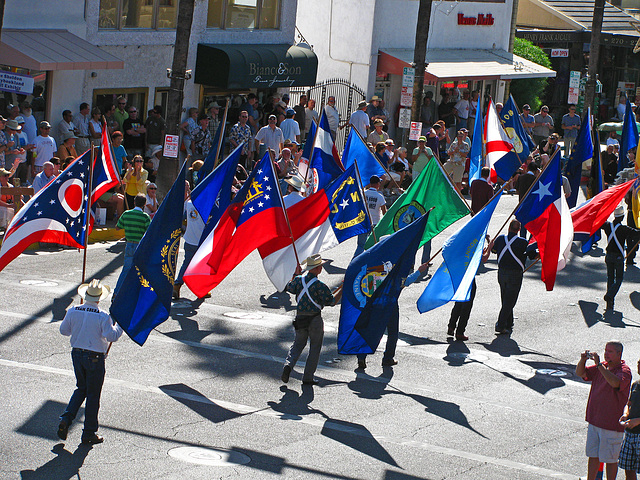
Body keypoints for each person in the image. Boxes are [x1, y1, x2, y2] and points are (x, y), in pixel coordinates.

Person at [57, 279, 123, 445]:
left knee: (81, 388)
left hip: (77, 354)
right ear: (100, 298)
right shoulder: (103, 316)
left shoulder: (73, 310)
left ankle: (67, 417)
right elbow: (112, 336)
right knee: (93, 394)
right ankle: (89, 432)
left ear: (85, 295)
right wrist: (121, 326)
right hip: (95, 357)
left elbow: (64, 331)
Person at [281, 254, 342, 386]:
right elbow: (331, 301)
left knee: (297, 344)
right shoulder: (320, 286)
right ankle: (308, 377)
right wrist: (342, 289)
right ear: (319, 268)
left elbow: (289, 287)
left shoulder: (298, 280)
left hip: (300, 317)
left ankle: (288, 364)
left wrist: (295, 275)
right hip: (314, 318)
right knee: (315, 347)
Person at [576, 341, 632, 480]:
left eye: (610, 351)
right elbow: (580, 373)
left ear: (619, 354)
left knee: (611, 459)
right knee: (593, 456)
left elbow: (615, 383)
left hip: (611, 425)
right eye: (606, 351)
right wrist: (583, 360)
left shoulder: (624, 370)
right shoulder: (602, 367)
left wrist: (600, 366)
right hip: (595, 421)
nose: (606, 354)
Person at [490, 219, 534, 335]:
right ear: (519, 230)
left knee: (505, 298)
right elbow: (532, 256)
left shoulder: (500, 239)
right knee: (510, 301)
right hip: (515, 275)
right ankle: (500, 325)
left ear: (508, 228)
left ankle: (509, 323)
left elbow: (494, 250)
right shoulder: (523, 243)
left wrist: (490, 241)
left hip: (502, 273)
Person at [602, 205, 640, 311]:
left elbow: (599, 222)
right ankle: (609, 295)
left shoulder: (608, 226)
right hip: (618, 257)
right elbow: (636, 234)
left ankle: (610, 304)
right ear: (622, 217)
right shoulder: (624, 229)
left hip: (608, 256)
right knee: (618, 279)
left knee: (610, 278)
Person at [114, 194, 151, 296]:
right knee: (141, 271)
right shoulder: (145, 217)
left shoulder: (126, 214)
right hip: (140, 246)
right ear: (144, 204)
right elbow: (149, 233)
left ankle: (116, 293)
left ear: (134, 202)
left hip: (129, 244)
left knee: (126, 269)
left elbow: (118, 227)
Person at [618, 357, 640, 479]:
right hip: (630, 433)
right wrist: (626, 414)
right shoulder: (635, 385)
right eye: (638, 363)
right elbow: (629, 403)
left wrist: (637, 421)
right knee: (628, 466)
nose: (639, 366)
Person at [354, 175, 386, 258]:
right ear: (377, 184)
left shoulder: (363, 194)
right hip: (375, 223)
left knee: (361, 246)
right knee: (374, 245)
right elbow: (384, 212)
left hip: (363, 222)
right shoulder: (379, 197)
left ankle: (354, 262)